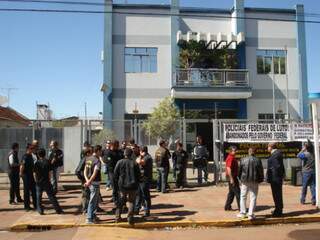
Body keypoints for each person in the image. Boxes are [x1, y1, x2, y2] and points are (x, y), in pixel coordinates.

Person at [114, 148, 141, 225]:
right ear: (131, 154)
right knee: (131, 202)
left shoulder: (120, 162)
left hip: (122, 186)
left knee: (121, 202)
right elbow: (138, 175)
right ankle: (130, 218)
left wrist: (117, 182)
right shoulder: (134, 163)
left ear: (124, 154)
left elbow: (115, 174)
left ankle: (117, 217)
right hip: (133, 185)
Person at [34, 148, 63, 215]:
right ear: (45, 154)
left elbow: (35, 173)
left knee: (38, 196)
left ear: (38, 155)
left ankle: (40, 210)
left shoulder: (37, 163)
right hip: (46, 181)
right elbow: (50, 172)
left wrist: (36, 180)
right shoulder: (48, 162)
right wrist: (49, 179)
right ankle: (58, 209)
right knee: (51, 196)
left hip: (39, 181)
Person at [237, 148, 264, 220]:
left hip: (245, 181)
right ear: (255, 152)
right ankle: (250, 214)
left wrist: (240, 178)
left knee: (243, 196)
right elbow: (260, 171)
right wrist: (260, 179)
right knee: (253, 197)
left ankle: (243, 213)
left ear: (248, 152)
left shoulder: (243, 159)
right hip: (254, 181)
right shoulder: (258, 160)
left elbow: (239, 170)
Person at [84, 145, 102, 224]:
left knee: (94, 200)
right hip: (94, 183)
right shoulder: (97, 161)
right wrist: (89, 181)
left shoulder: (88, 159)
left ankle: (93, 215)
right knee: (93, 201)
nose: (101, 153)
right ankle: (89, 218)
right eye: (100, 151)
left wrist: (87, 180)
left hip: (90, 182)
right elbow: (95, 173)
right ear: (97, 151)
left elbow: (85, 171)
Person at [267, 143, 285, 217]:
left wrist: (272, 176)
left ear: (271, 147)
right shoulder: (277, 154)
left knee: (277, 195)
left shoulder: (275, 155)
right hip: (276, 178)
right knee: (277, 195)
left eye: (267, 147)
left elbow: (276, 167)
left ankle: (278, 211)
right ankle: (278, 209)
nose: (267, 149)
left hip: (275, 178)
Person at [135, 146, 153, 217]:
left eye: (140, 151)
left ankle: (147, 210)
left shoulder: (147, 157)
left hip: (145, 179)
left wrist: (137, 159)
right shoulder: (142, 156)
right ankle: (136, 209)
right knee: (138, 195)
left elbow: (140, 162)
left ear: (142, 151)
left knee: (145, 195)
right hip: (140, 179)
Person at [297, 140, 316, 206]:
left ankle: (303, 200)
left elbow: (298, 155)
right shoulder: (314, 154)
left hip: (306, 172)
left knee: (304, 186)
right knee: (313, 186)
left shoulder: (305, 154)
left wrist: (302, 150)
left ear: (306, 148)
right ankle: (314, 200)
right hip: (313, 171)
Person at [75, 146, 92, 213]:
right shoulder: (84, 159)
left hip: (88, 180)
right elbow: (77, 171)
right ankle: (85, 209)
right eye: (91, 152)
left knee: (89, 194)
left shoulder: (88, 159)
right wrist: (83, 179)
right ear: (87, 153)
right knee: (85, 195)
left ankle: (90, 208)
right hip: (85, 181)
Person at [20, 143, 37, 211]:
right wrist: (21, 174)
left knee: (33, 190)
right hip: (26, 175)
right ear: (28, 149)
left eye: (33, 148)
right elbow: (22, 166)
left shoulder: (30, 156)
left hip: (30, 175)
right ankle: (26, 206)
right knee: (26, 191)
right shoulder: (25, 156)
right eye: (31, 148)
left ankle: (36, 205)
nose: (33, 149)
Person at [224, 146, 240, 211]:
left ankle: (227, 207)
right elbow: (228, 168)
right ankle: (241, 208)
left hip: (233, 176)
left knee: (231, 193)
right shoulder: (230, 158)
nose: (235, 151)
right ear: (230, 151)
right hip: (232, 177)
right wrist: (231, 179)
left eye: (236, 150)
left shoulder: (233, 157)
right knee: (238, 193)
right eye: (234, 150)